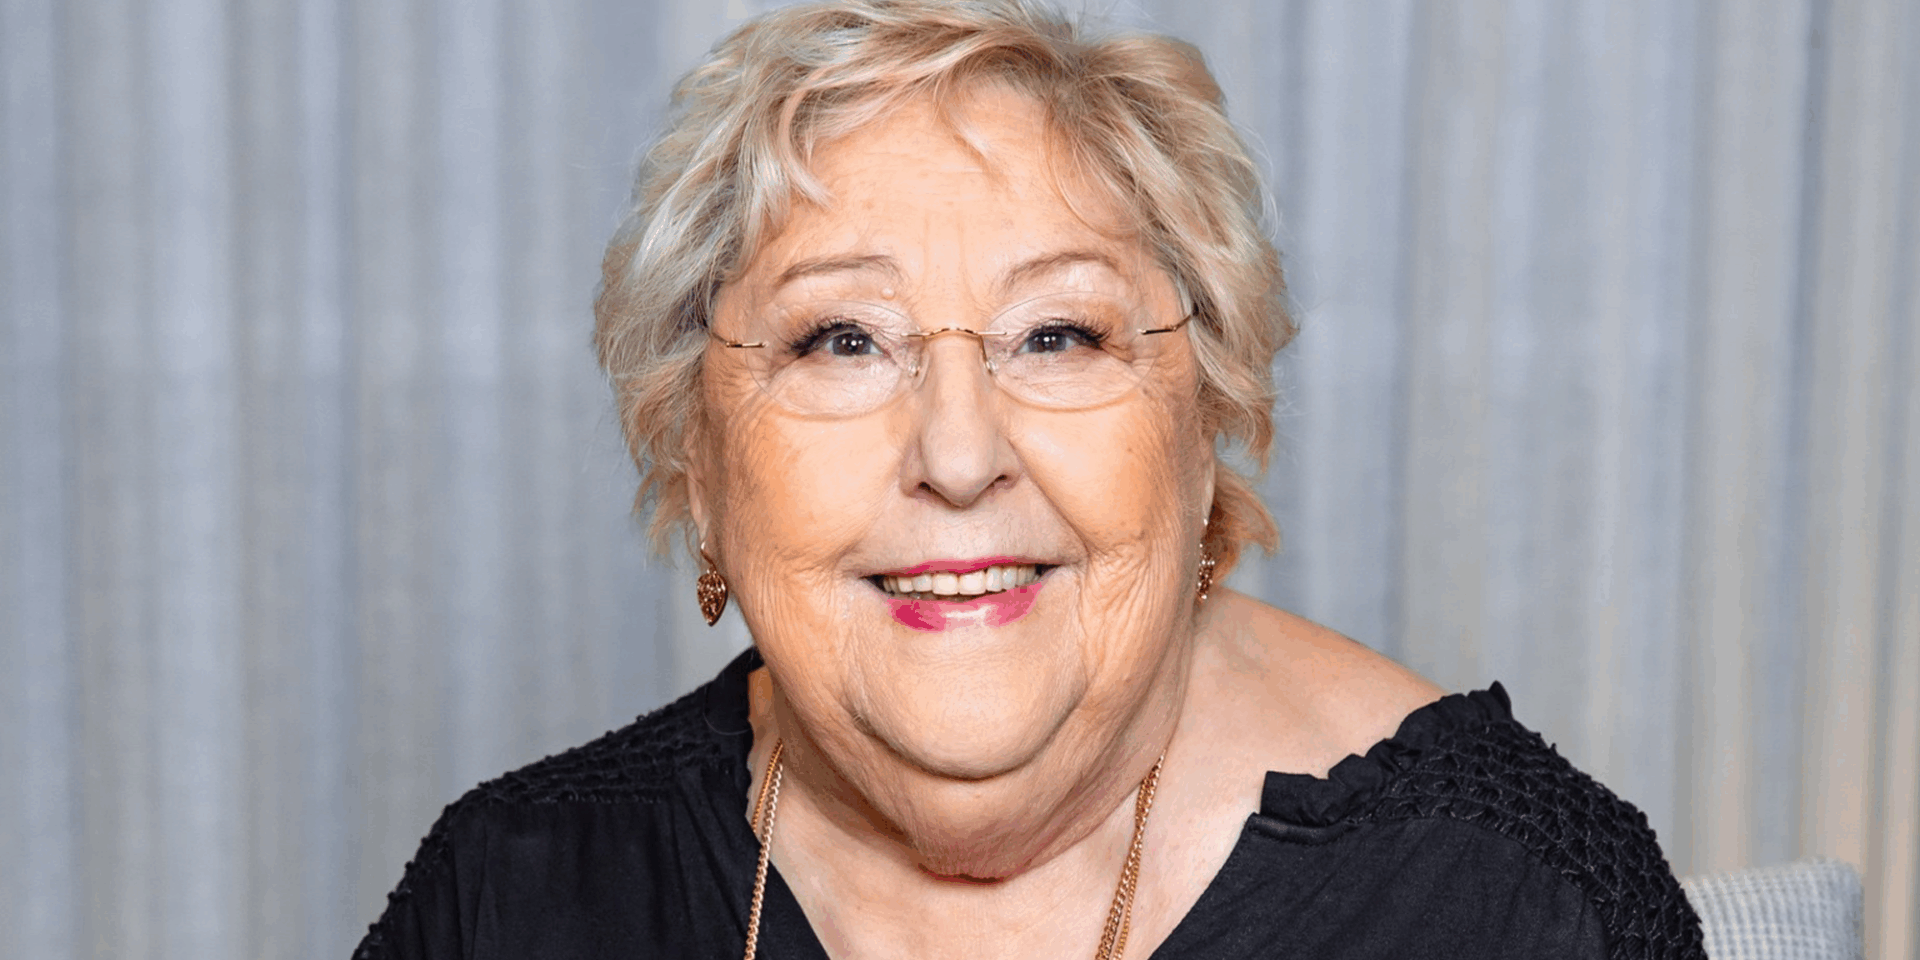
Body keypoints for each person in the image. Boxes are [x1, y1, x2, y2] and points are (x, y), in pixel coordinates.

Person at [355, 2, 1704, 957]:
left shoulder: (1522, 907)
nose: (956, 452)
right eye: (843, 340)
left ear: (1208, 420)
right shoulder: (512, 895)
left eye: (1057, 334)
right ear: (698, 459)